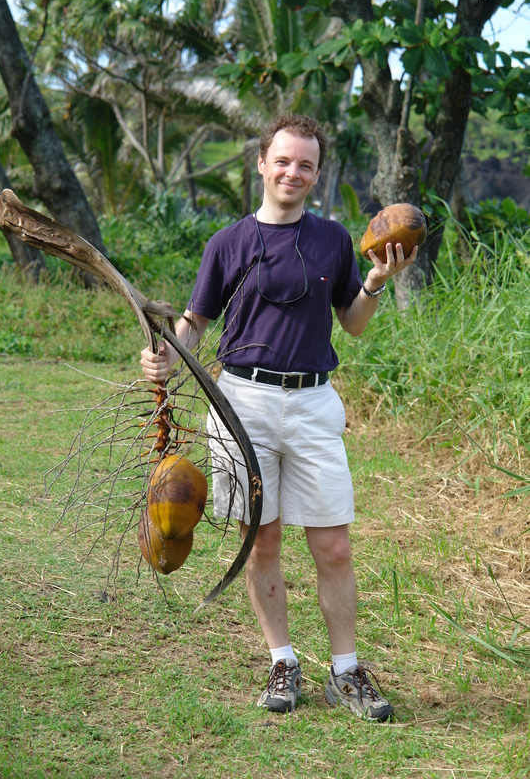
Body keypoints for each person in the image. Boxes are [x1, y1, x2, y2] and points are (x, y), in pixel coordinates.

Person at [140, 113, 418, 721]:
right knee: (260, 538)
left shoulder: (332, 240)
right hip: (243, 402)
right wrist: (163, 352)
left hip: (315, 402)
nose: (294, 171)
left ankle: (345, 673)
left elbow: (351, 321)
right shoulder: (228, 243)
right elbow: (195, 323)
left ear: (317, 175)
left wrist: (374, 282)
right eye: (284, 160)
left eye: (307, 164)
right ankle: (282, 660)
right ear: (262, 165)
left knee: (334, 547)